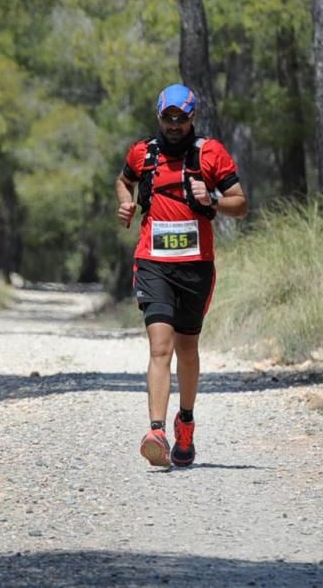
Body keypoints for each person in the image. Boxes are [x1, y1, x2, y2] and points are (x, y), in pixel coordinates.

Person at [115, 84, 248, 468]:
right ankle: (156, 430)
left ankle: (184, 423)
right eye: (168, 118)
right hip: (153, 262)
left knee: (187, 349)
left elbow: (241, 204)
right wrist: (126, 204)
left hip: (196, 266)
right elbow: (124, 181)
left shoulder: (211, 153)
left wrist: (213, 200)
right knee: (160, 346)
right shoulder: (142, 153)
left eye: (182, 118)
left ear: (192, 118)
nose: (174, 125)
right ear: (158, 116)